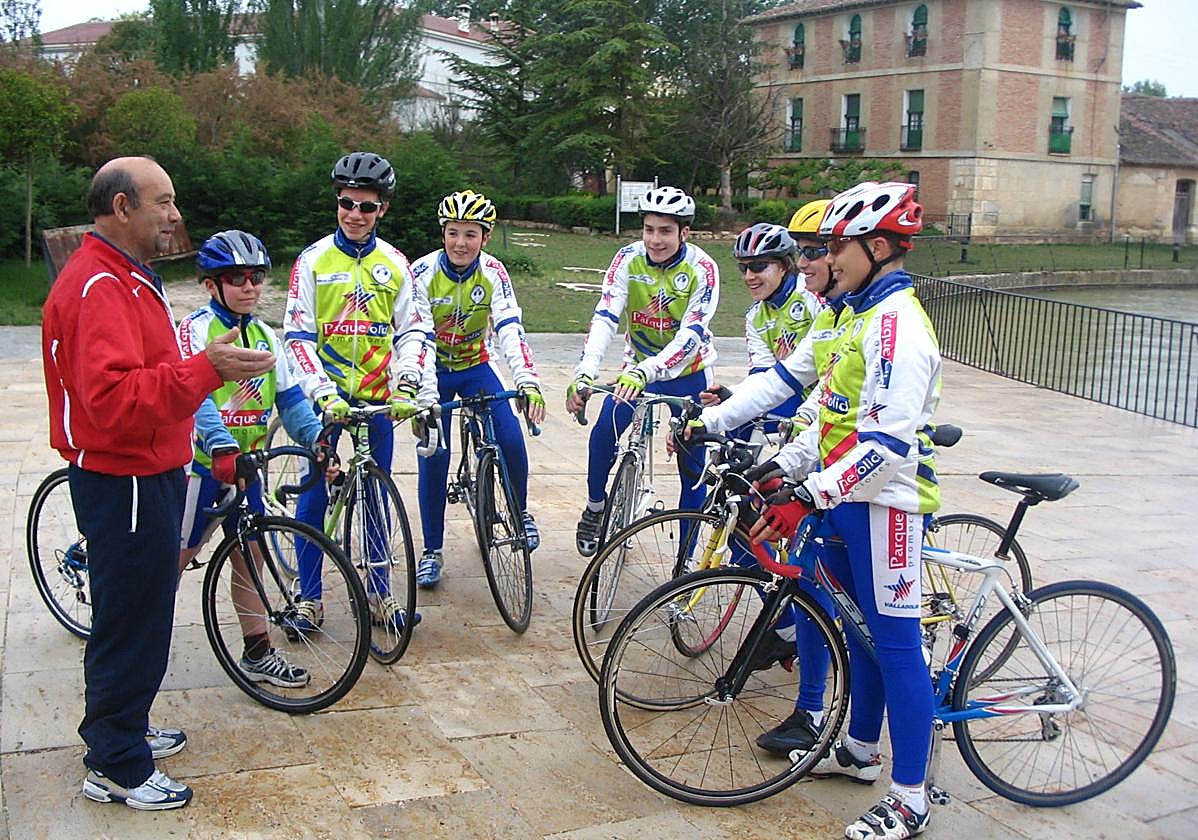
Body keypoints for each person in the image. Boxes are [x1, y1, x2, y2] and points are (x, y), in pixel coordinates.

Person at [42, 156, 275, 810]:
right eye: (163, 202)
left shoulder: (128, 276)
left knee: (143, 614)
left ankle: (123, 728)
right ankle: (115, 761)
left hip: (151, 471)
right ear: (123, 208)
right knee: (131, 621)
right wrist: (207, 371)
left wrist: (200, 371)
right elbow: (112, 401)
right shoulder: (98, 287)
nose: (175, 215)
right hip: (127, 479)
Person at [748, 181, 940, 840]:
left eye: (838, 244)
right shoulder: (856, 312)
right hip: (846, 500)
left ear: (877, 247)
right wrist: (796, 470)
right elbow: (830, 417)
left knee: (895, 647)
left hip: (886, 504)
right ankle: (860, 752)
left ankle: (911, 797)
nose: (828, 255)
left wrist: (808, 493)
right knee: (861, 637)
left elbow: (885, 448)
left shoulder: (897, 324)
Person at [282, 151, 435, 636]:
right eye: (347, 203)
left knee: (375, 495)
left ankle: (379, 595)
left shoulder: (395, 263)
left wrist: (408, 381)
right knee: (312, 498)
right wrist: (321, 391)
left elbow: (414, 330)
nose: (354, 214)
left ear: (382, 209)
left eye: (366, 207)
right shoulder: (311, 261)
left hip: (375, 400)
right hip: (323, 399)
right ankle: (309, 599)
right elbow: (297, 337)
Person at [177, 230, 327, 688]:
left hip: (246, 469)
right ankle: (133, 647)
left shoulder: (265, 335)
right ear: (211, 284)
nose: (249, 286)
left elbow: (291, 401)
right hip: (201, 470)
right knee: (173, 562)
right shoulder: (198, 329)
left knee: (252, 557)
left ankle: (258, 651)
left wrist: (317, 439)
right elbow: (197, 398)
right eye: (235, 277)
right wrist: (221, 446)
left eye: (256, 276)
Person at [564, 186, 720, 556]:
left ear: (685, 232)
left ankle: (684, 559)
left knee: (692, 466)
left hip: (689, 372)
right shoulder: (627, 259)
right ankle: (596, 507)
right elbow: (606, 316)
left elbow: (691, 335)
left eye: (665, 231)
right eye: (649, 229)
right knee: (606, 428)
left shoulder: (703, 269)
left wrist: (648, 371)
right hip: (638, 366)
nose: (655, 239)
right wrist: (586, 370)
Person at [409, 190, 546, 588]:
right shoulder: (420, 273)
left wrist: (526, 381)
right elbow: (414, 336)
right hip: (432, 369)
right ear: (443, 233)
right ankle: (432, 549)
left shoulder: (493, 272)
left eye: (471, 234)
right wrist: (422, 396)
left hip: (474, 366)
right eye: (453, 233)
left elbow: (509, 328)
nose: (460, 243)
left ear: (485, 238)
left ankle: (520, 514)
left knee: (510, 438)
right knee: (435, 453)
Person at [698, 220, 821, 434]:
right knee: (736, 422)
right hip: (790, 393)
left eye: (758, 266)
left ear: (784, 266)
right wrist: (733, 393)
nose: (748, 276)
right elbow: (762, 373)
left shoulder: (813, 296)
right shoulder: (755, 316)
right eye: (743, 268)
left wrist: (808, 414)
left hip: (827, 397)